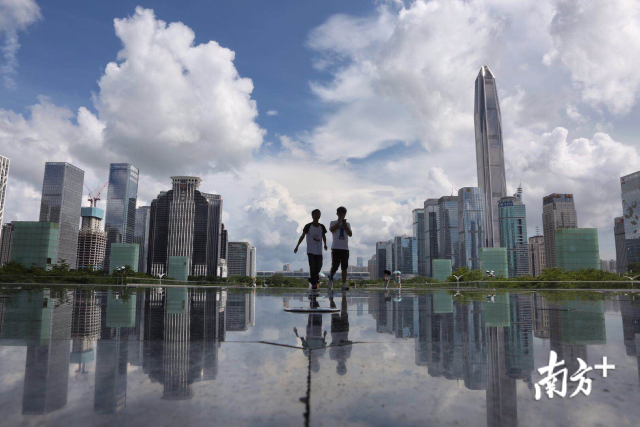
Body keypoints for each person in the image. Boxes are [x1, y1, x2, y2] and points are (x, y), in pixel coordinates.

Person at [294, 209, 328, 291]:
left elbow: (323, 236)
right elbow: (302, 236)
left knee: (319, 266)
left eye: (318, 214)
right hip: (311, 251)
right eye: (315, 214)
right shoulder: (308, 226)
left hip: (319, 251)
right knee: (312, 266)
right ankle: (314, 283)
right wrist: (297, 246)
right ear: (312, 216)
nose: (317, 215)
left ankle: (312, 279)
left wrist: (325, 244)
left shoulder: (322, 227)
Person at [328, 206, 352, 291]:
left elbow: (350, 234)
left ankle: (344, 284)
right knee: (334, 266)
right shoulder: (333, 222)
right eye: (340, 213)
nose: (342, 215)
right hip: (336, 248)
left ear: (345, 214)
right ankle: (330, 280)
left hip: (345, 248)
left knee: (344, 267)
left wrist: (344, 224)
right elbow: (331, 230)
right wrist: (339, 221)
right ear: (337, 214)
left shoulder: (347, 224)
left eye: (343, 214)